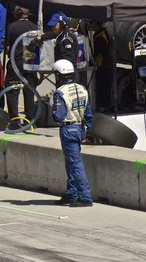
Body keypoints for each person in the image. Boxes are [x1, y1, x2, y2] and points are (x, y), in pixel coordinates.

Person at [51, 59, 93, 207]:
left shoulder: (60, 93)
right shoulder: (82, 89)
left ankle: (85, 197)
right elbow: (88, 113)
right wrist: (85, 130)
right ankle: (71, 194)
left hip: (68, 129)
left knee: (75, 164)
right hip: (80, 128)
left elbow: (58, 116)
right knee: (71, 163)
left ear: (59, 75)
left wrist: (53, 107)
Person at [5, 6, 38, 126]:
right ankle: (30, 120)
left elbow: (8, 48)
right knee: (29, 91)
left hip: (16, 63)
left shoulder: (12, 27)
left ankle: (15, 121)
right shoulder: (35, 27)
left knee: (12, 91)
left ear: (18, 13)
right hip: (31, 63)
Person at [31, 12, 79, 83]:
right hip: (62, 73)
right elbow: (51, 34)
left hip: (67, 76)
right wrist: (41, 37)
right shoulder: (61, 34)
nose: (52, 27)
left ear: (62, 25)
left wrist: (65, 78)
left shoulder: (66, 39)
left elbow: (70, 62)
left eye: (55, 25)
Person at [91, 21, 113, 110]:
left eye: (92, 23)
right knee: (102, 89)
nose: (90, 25)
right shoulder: (99, 34)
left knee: (103, 89)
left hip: (104, 67)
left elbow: (96, 51)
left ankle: (105, 108)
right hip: (103, 66)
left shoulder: (101, 36)